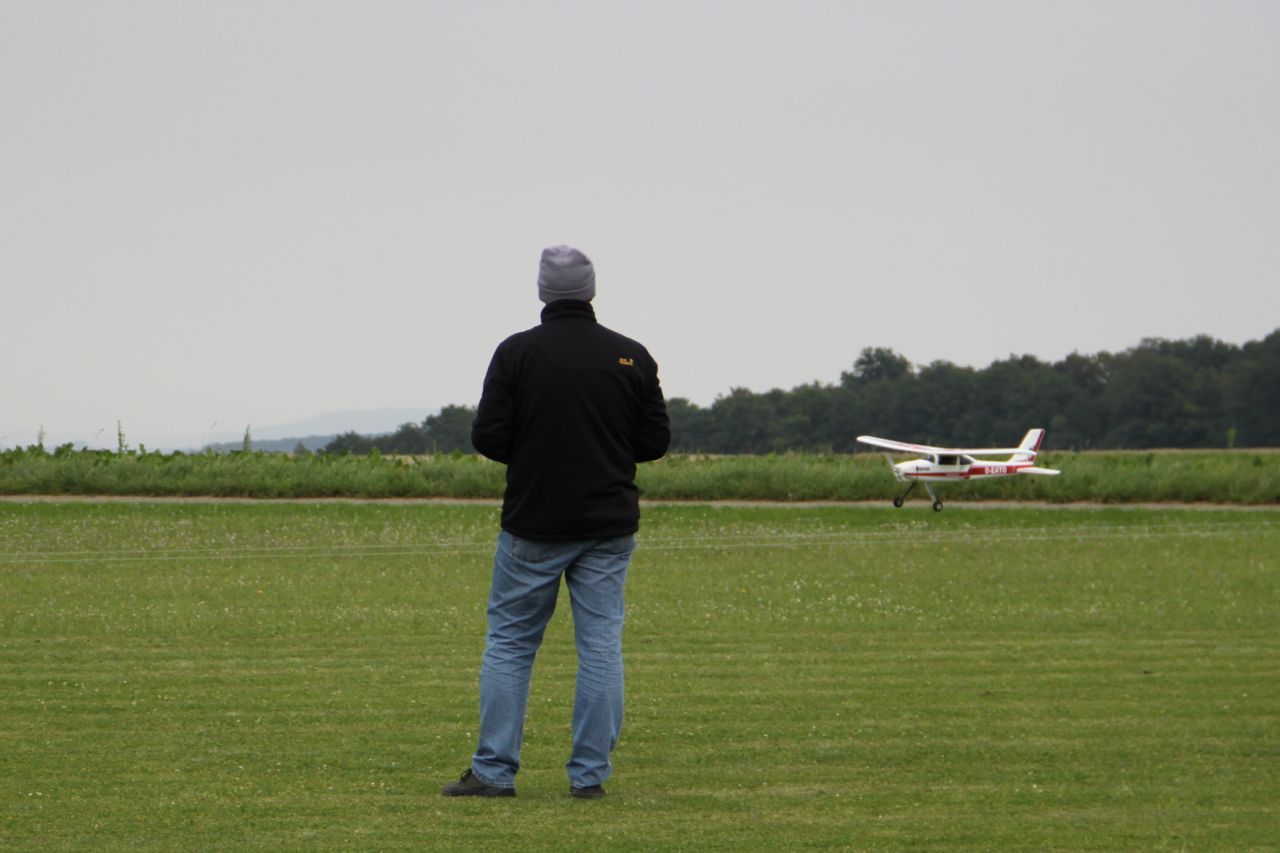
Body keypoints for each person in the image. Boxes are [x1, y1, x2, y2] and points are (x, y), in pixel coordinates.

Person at [443, 245, 671, 800]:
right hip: (609, 524)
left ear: (544, 290)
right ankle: (589, 776)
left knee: (510, 643)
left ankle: (494, 771)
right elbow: (654, 442)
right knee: (601, 645)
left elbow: (489, 436)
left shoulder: (517, 353)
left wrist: (535, 452)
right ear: (590, 290)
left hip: (534, 520)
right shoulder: (632, 355)